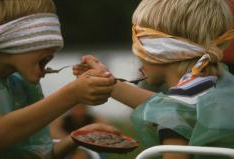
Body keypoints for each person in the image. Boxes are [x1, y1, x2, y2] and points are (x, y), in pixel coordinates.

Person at [74, 0, 234, 159]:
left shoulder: (175, 117)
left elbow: (172, 110)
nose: (138, 61)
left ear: (161, 52)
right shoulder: (219, 89)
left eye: (139, 48)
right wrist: (107, 81)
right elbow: (167, 106)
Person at [0, 0, 118, 159]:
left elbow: (35, 154)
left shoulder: (21, 83)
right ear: (13, 39)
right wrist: (73, 94)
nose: (54, 49)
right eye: (43, 39)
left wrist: (78, 137)